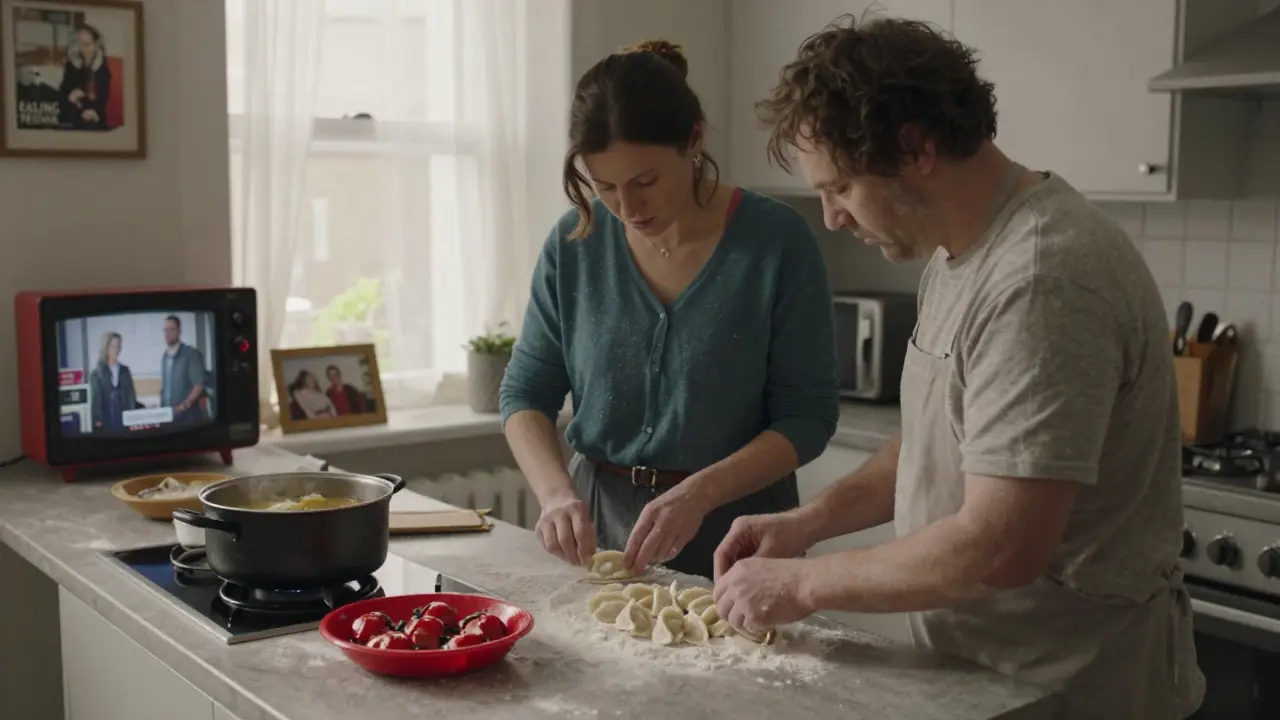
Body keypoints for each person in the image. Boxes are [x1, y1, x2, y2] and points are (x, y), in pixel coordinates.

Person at [710, 15, 1203, 719]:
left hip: (1076, 686)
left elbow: (1000, 546)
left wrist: (801, 584)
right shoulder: (953, 256)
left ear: (916, 149)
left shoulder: (1041, 278)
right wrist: (808, 521)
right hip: (986, 678)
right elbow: (930, 443)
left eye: (841, 188)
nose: (832, 218)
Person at [499, 40, 839, 580]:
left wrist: (698, 493)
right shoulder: (574, 243)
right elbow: (524, 392)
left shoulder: (776, 243)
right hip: (601, 524)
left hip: (740, 530)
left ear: (694, 140)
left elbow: (809, 416)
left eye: (646, 181)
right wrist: (555, 494)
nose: (628, 208)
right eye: (605, 185)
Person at [59, 24, 111, 131]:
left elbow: (103, 99)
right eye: (80, 45)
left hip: (95, 115)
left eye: (87, 45)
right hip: (72, 114)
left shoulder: (102, 69)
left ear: (96, 45)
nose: (83, 49)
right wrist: (69, 97)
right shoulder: (71, 65)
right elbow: (62, 93)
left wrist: (93, 112)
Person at [159, 315, 208, 426]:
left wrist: (185, 405)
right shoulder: (165, 357)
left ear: (179, 331)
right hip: (168, 417)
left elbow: (199, 385)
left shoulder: (191, 354)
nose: (167, 334)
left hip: (187, 417)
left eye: (172, 330)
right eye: (165, 330)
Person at [89, 331, 138, 432]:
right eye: (113, 346)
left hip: (125, 419)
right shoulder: (97, 373)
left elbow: (131, 396)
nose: (116, 350)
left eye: (118, 346)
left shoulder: (125, 371)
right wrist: (97, 419)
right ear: (106, 348)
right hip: (106, 421)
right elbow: (96, 399)